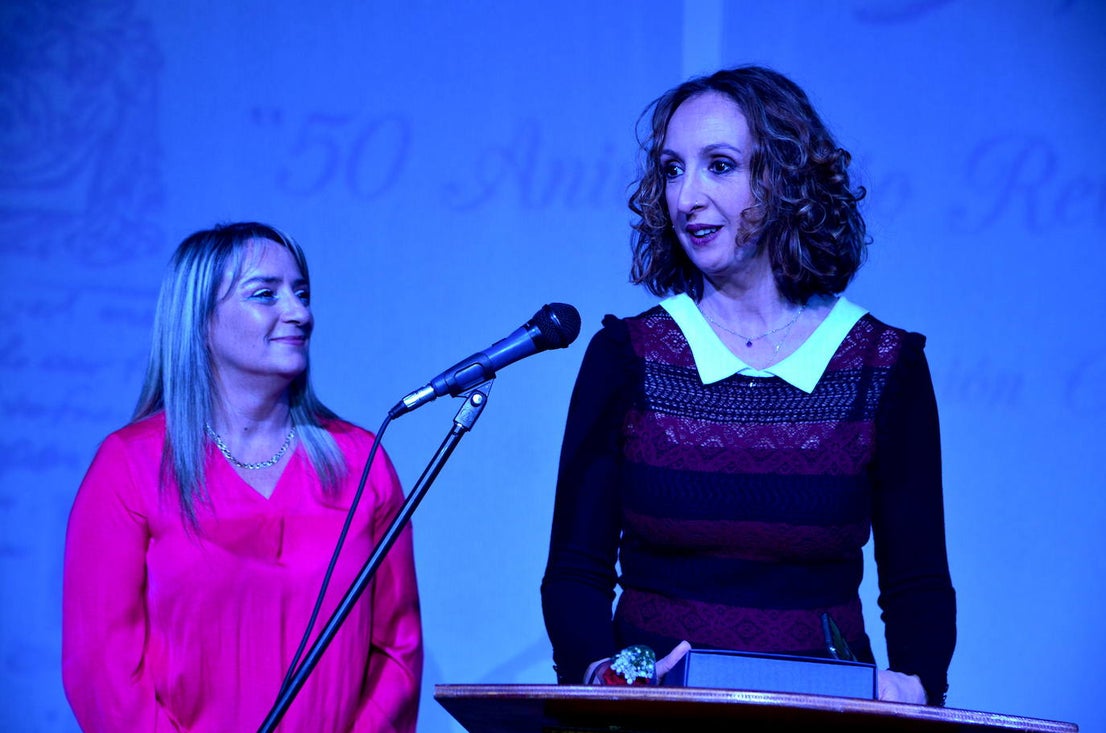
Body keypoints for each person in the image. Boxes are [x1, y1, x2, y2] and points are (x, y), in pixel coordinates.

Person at [540, 66, 955, 705]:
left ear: (784, 180)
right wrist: (603, 680)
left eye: (720, 166)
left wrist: (920, 693)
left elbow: (916, 582)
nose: (686, 199)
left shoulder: (882, 364)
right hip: (652, 721)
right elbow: (575, 570)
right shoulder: (627, 356)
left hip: (828, 719)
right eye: (673, 169)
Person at [62, 222, 423, 732]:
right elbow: (102, 666)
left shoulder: (360, 461)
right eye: (265, 295)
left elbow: (397, 650)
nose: (299, 313)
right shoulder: (130, 466)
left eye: (301, 293)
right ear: (200, 321)